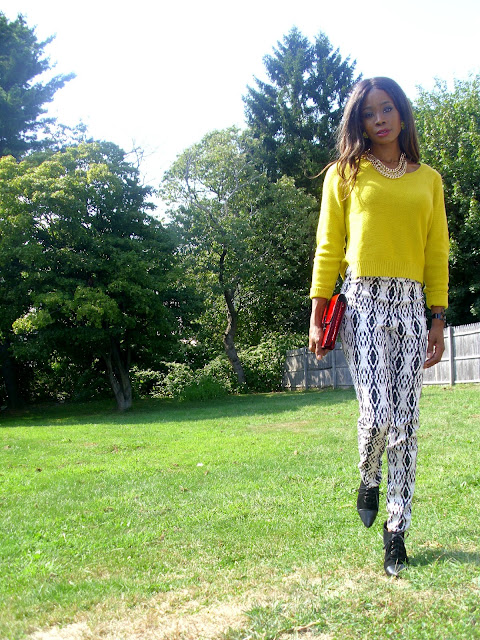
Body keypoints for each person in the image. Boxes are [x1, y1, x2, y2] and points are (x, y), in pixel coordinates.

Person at [308, 77, 449, 577]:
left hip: (411, 306)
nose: (380, 119)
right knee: (378, 414)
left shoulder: (428, 180)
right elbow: (329, 245)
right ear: (360, 122)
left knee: (406, 424)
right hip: (362, 302)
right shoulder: (344, 174)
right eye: (369, 113)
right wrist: (317, 312)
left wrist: (437, 317)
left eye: (387, 109)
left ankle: (396, 531)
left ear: (402, 114)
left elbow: (436, 251)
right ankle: (368, 476)